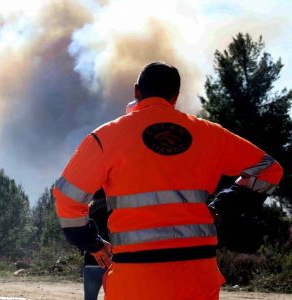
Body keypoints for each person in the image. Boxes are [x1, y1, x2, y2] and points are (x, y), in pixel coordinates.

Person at [53, 61, 283, 300]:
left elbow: (67, 199)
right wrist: (222, 207)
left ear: (136, 91)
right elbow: (268, 169)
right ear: (175, 96)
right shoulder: (210, 134)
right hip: (197, 276)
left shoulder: (105, 137)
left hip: (136, 279)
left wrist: (93, 243)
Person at [82, 190, 108, 300]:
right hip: (110, 262)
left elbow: (81, 236)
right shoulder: (113, 209)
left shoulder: (87, 212)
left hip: (90, 263)